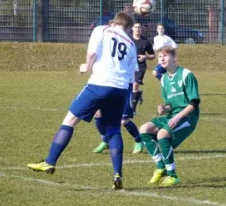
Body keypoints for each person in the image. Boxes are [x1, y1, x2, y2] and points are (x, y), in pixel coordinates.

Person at [27, 12, 138, 190]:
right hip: (120, 89)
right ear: (128, 27)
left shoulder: (102, 30)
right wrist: (131, 97)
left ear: (114, 21)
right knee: (114, 129)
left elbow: (92, 52)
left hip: (100, 84)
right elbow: (133, 74)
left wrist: (86, 66)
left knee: (70, 120)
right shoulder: (131, 44)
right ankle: (117, 174)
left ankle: (50, 161)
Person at [140, 45, 200, 186]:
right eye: (160, 57)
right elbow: (169, 105)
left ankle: (172, 175)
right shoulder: (164, 79)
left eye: (165, 56)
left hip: (188, 117)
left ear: (174, 58)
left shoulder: (186, 74)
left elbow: (194, 102)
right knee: (144, 129)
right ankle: (160, 167)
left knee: (162, 134)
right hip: (172, 115)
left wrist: (178, 116)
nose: (162, 59)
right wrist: (164, 109)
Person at [92, 22, 155, 154]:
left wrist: (145, 57)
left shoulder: (131, 44)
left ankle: (138, 140)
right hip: (110, 84)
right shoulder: (115, 45)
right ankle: (105, 140)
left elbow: (150, 56)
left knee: (123, 121)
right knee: (97, 113)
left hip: (125, 86)